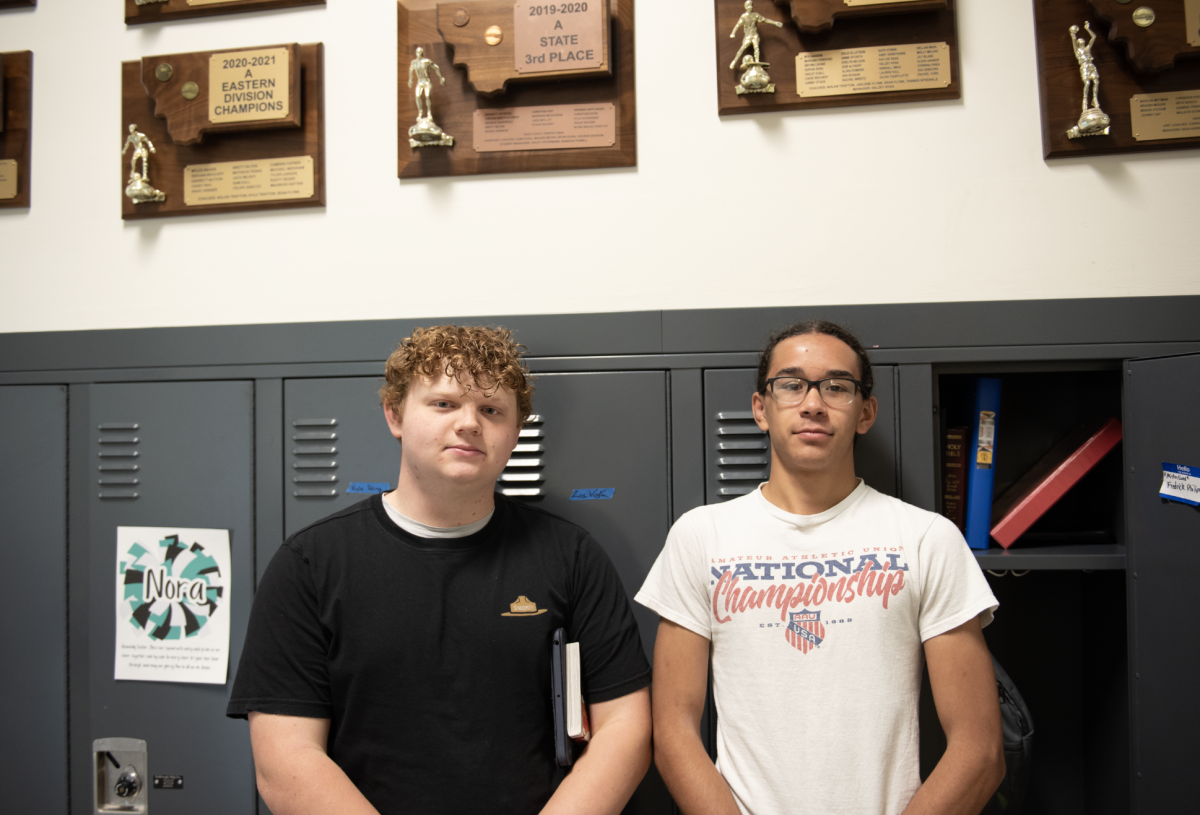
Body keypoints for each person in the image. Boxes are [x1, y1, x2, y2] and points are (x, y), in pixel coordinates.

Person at [227, 325, 652, 815]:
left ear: (515, 433)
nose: (469, 423)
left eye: (491, 410)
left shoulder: (571, 556)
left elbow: (625, 728)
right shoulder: (309, 564)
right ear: (395, 415)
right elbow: (285, 758)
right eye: (444, 404)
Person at [636, 320, 1004, 815]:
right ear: (760, 409)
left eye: (836, 387)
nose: (813, 403)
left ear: (866, 412)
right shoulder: (701, 537)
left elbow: (979, 752)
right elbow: (673, 730)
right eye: (790, 385)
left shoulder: (924, 539)